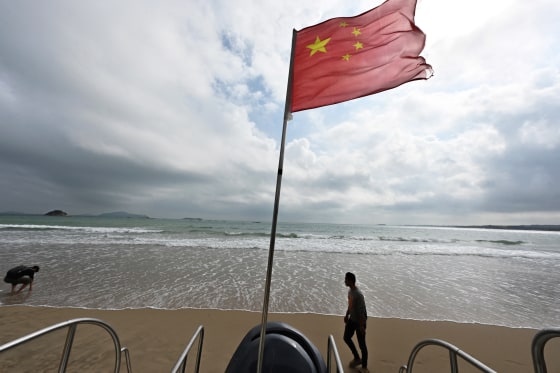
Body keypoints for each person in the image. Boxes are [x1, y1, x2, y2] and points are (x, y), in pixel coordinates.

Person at [343, 271, 368, 373]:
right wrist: (346, 314)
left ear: (351, 281)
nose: (344, 281)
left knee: (362, 344)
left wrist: (362, 326)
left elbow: (362, 312)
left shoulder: (358, 294)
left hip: (360, 321)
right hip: (352, 318)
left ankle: (364, 367)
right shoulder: (350, 291)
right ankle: (357, 358)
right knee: (346, 337)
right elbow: (350, 305)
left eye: (346, 279)